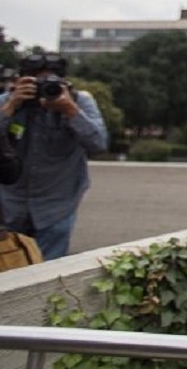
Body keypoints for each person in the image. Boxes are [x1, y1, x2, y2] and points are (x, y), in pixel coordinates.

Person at [0, 52, 108, 260]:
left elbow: (98, 143)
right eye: (35, 82)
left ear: (64, 82)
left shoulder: (79, 101)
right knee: (8, 271)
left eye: (49, 81)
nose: (42, 88)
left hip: (56, 205)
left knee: (48, 272)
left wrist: (70, 110)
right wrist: (11, 107)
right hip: (9, 204)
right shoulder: (7, 101)